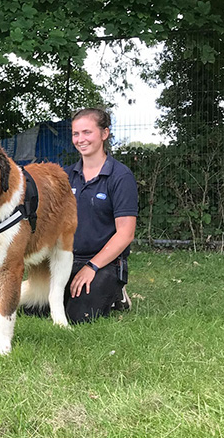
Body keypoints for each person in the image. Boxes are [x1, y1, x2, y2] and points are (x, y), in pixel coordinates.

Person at [62, 107, 138, 323]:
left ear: (104, 133)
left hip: (105, 263)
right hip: (68, 259)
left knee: (78, 316)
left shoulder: (120, 176)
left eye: (87, 132)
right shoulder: (66, 176)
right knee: (31, 308)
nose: (80, 139)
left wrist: (92, 267)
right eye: (76, 134)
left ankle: (116, 294)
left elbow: (126, 234)